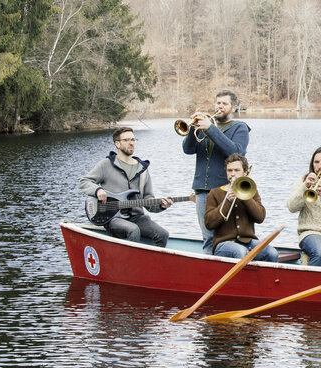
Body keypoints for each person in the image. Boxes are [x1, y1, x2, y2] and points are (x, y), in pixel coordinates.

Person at [80, 127, 173, 246]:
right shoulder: (106, 164)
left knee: (162, 234)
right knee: (133, 230)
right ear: (117, 144)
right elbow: (84, 181)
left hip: (137, 218)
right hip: (113, 218)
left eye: (133, 139)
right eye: (127, 140)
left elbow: (148, 200)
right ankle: (130, 263)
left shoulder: (143, 169)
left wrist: (161, 205)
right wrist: (97, 190)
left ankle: (151, 263)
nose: (131, 143)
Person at [182, 89, 250, 253]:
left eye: (224, 104)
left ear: (234, 107)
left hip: (223, 190)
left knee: (223, 236)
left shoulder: (240, 128)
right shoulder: (206, 126)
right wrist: (193, 127)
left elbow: (235, 153)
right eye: (218, 103)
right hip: (202, 190)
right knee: (208, 237)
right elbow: (188, 149)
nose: (220, 107)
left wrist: (211, 129)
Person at [204, 153, 278, 262]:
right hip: (223, 244)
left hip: (248, 241)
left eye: (236, 170)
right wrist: (227, 201)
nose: (232, 174)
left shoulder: (251, 190)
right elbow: (209, 223)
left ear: (245, 172)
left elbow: (260, 217)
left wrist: (245, 196)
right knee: (241, 252)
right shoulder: (215, 193)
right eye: (229, 170)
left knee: (272, 253)